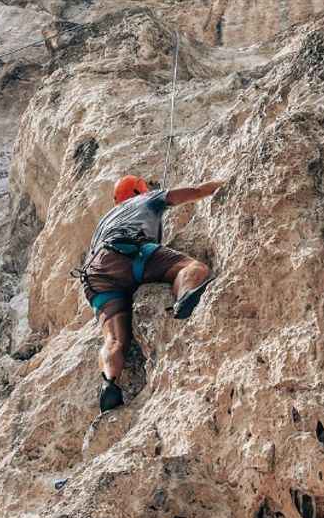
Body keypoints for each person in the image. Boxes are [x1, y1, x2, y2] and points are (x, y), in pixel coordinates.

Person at [76, 175, 223, 412]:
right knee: (192, 268)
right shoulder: (145, 199)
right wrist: (220, 185)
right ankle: (184, 296)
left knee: (113, 339)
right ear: (139, 191)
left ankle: (109, 381)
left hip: (96, 274)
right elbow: (193, 191)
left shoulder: (105, 220)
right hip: (130, 253)